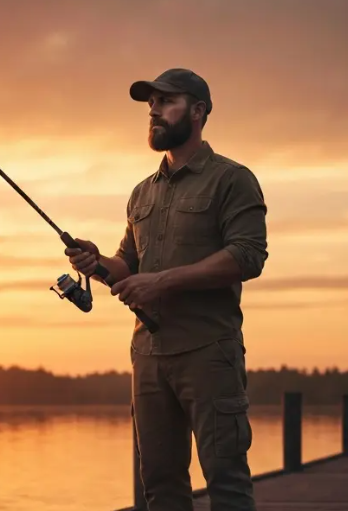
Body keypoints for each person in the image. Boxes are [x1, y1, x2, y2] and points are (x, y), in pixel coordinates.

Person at [65, 68, 268, 511]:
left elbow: (248, 256)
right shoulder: (141, 194)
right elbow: (127, 268)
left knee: (227, 484)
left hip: (209, 353)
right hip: (149, 360)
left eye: (166, 101)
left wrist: (161, 282)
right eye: (150, 104)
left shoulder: (232, 179)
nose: (153, 110)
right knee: (160, 487)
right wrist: (97, 263)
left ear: (198, 111)